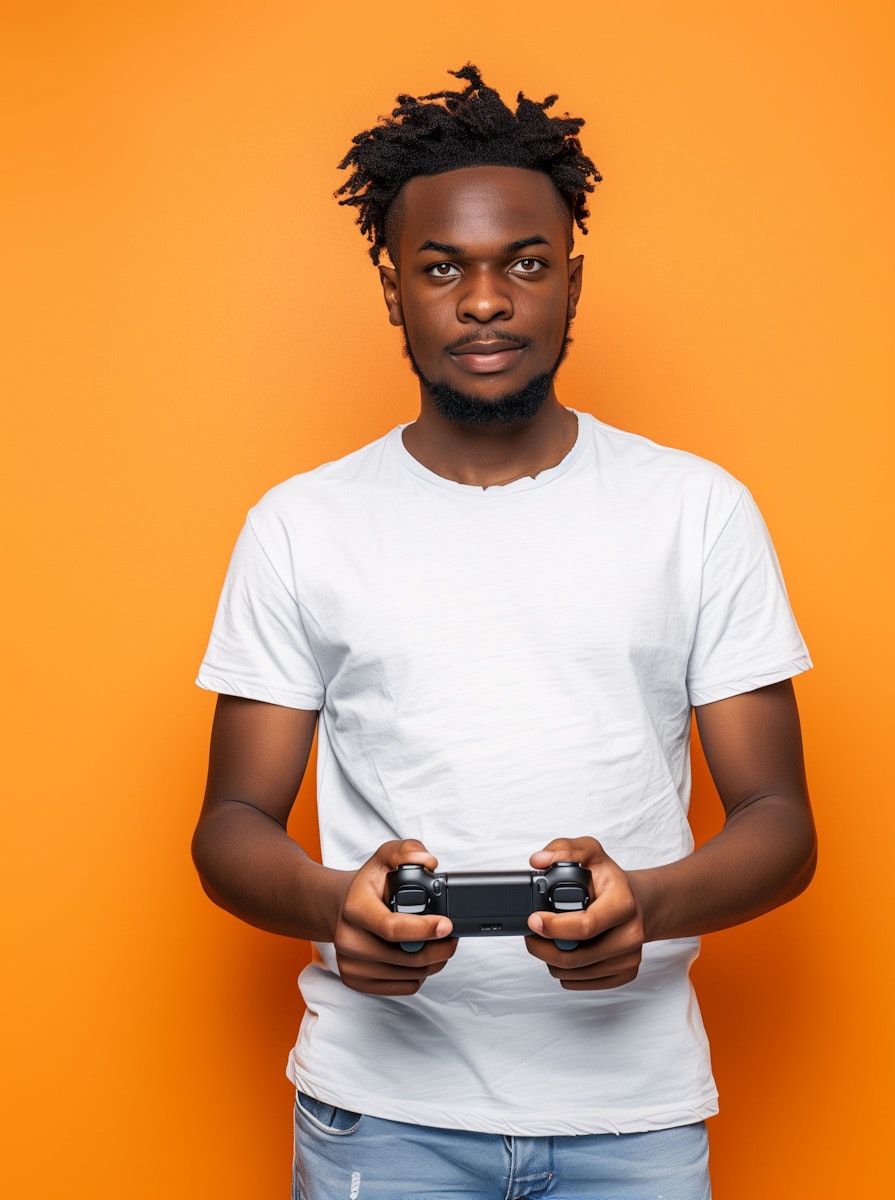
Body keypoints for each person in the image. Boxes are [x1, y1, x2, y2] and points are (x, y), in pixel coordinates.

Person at [192, 63, 816, 1200]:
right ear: (393, 291)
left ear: (570, 281)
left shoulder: (695, 509)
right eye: (442, 269)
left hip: (632, 1118)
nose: (485, 300)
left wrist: (651, 902)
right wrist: (337, 905)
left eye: (523, 264)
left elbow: (780, 821)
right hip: (381, 1115)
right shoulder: (298, 526)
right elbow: (230, 824)